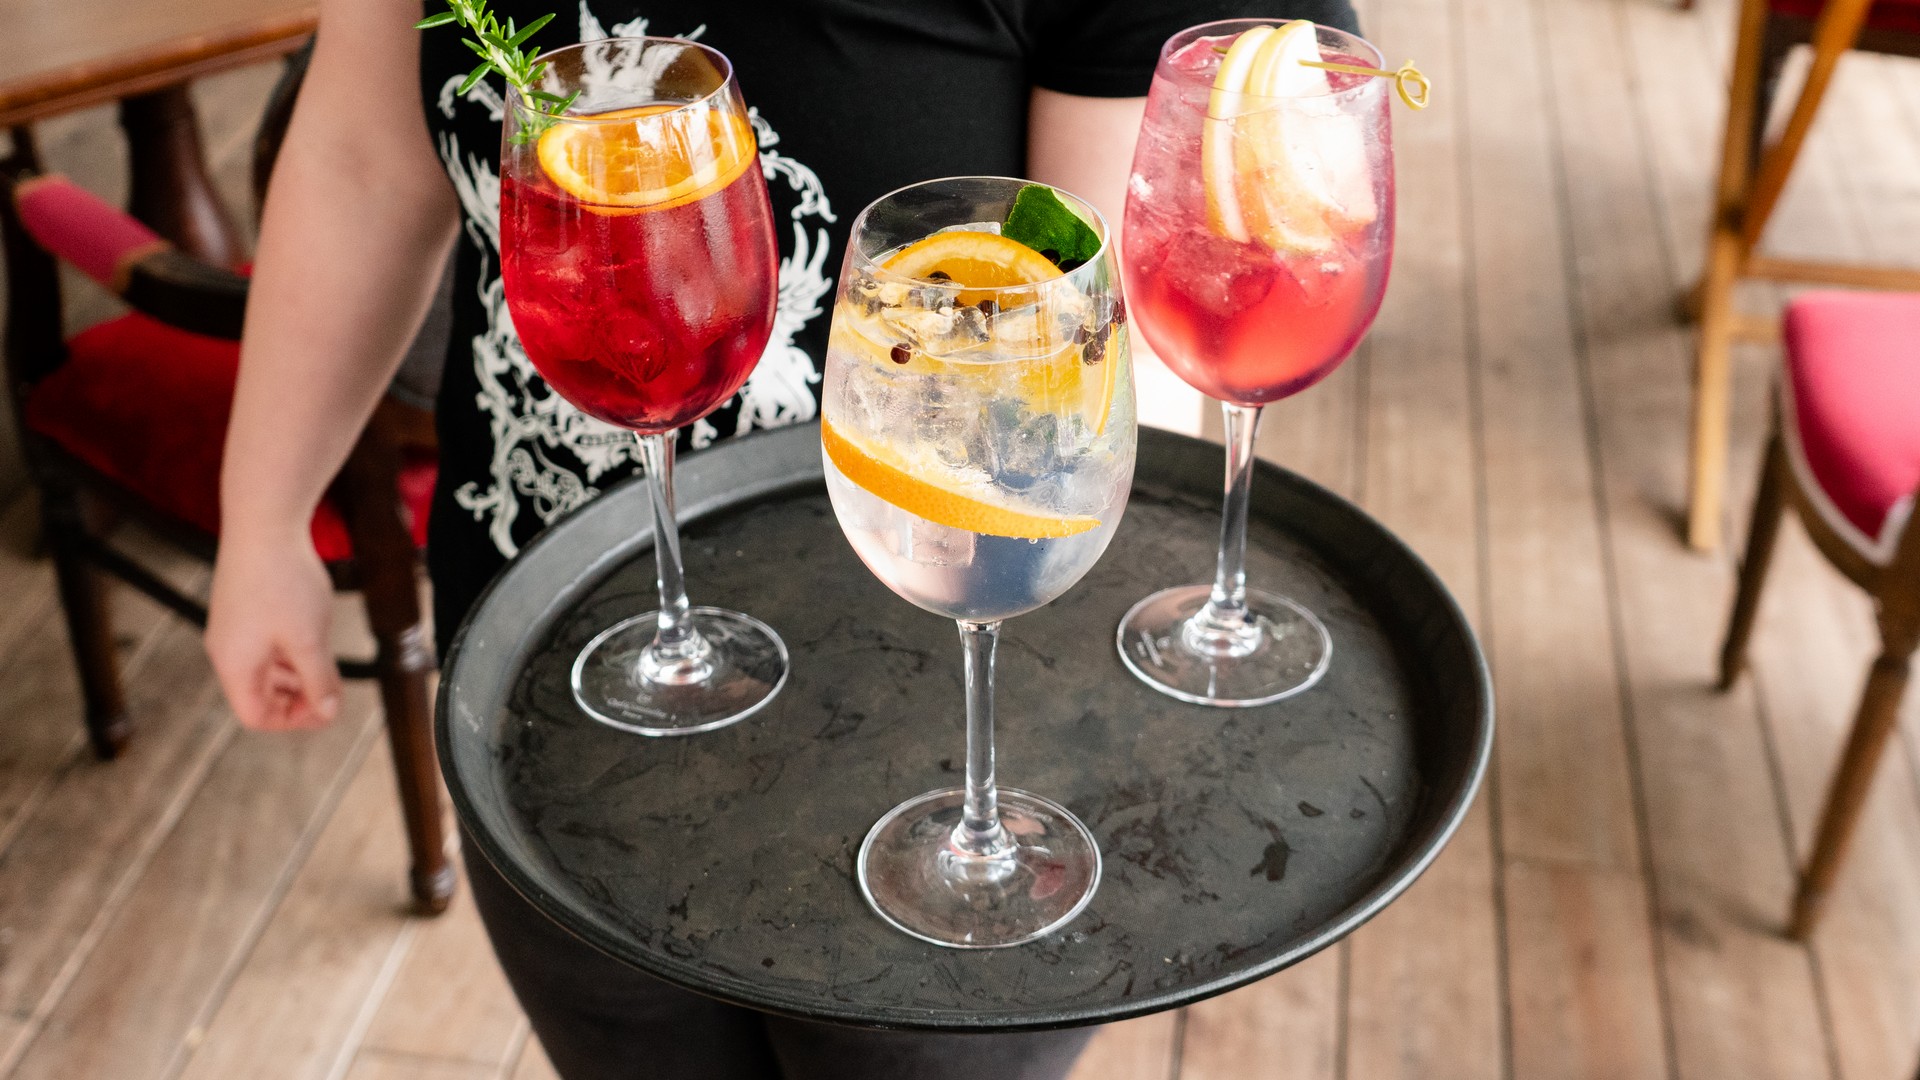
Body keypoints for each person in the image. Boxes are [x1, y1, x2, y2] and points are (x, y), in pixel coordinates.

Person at [204, 1, 1360, 1077]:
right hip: (546, 678)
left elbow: (1101, 332)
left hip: (940, 732)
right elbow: (363, 157)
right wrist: (262, 520)